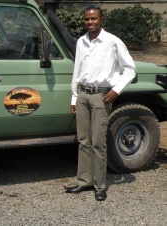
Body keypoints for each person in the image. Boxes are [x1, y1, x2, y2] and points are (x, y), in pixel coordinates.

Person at [65, 5, 136, 201]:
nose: (90, 22)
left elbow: (130, 69)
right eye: (87, 19)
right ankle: (84, 182)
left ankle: (100, 186)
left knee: (98, 142)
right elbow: (77, 71)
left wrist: (116, 90)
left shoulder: (112, 42)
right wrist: (74, 96)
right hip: (83, 95)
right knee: (83, 141)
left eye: (93, 19)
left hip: (101, 97)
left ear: (101, 19)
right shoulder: (81, 42)